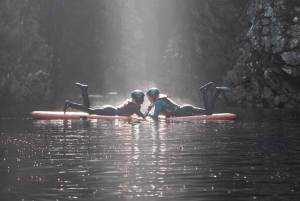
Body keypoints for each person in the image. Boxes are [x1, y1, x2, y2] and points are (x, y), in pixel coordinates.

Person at [146, 82, 230, 120]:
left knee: (209, 112)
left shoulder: (158, 102)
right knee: (209, 112)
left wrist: (149, 111)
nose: (149, 99)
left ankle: (205, 91)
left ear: (153, 96)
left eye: (149, 97)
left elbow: (155, 117)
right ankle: (216, 92)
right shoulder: (160, 100)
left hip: (184, 111)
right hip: (185, 109)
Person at [63, 83, 151, 118]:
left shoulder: (132, 105)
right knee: (90, 111)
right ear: (139, 98)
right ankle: (69, 104)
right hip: (111, 111)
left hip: (111, 109)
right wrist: (150, 107)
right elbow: (143, 116)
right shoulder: (135, 107)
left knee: (89, 108)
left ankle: (84, 91)